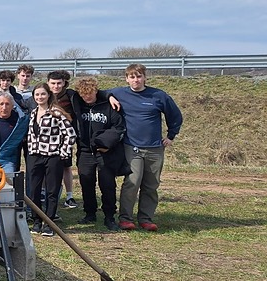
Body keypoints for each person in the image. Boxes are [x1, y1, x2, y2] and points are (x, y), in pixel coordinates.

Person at [107, 64, 183, 232]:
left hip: (155, 148)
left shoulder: (158, 95)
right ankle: (126, 218)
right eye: (132, 77)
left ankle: (146, 218)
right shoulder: (120, 92)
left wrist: (171, 136)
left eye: (139, 76)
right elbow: (100, 93)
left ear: (145, 78)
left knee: (151, 184)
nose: (136, 80)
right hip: (131, 146)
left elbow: (175, 115)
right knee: (132, 182)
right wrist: (110, 97)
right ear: (126, 79)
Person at [74, 77, 127, 231]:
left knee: (107, 184)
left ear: (96, 91)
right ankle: (90, 213)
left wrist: (105, 143)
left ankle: (109, 216)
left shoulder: (108, 105)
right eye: (84, 95)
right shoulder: (78, 104)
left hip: (106, 151)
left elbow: (119, 127)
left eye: (90, 93)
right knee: (86, 182)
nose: (87, 97)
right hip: (84, 151)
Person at [26, 83, 76, 236]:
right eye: (37, 95)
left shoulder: (56, 113)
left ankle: (49, 223)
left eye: (42, 94)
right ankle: (36, 221)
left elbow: (70, 134)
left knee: (51, 191)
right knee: (34, 190)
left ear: (48, 95)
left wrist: (63, 152)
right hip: (35, 155)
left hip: (53, 157)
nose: (39, 97)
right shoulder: (34, 112)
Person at [47, 70, 81, 210]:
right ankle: (45, 194)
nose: (56, 86)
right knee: (47, 167)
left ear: (64, 83)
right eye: (53, 83)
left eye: (58, 83)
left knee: (66, 166)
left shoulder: (71, 96)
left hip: (64, 137)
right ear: (48, 83)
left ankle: (69, 196)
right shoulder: (44, 94)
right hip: (47, 138)